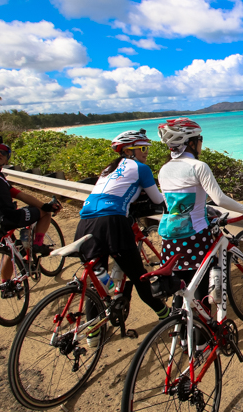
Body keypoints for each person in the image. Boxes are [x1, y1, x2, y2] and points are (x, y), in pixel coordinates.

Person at [74, 129, 170, 347]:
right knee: (139, 276)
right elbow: (157, 198)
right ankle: (165, 314)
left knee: (95, 279)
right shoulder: (141, 168)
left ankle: (93, 335)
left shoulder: (108, 169)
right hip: (113, 223)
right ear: (129, 150)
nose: (146, 152)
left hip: (86, 221)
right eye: (143, 148)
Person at [157, 118, 243, 319]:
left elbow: (176, 204)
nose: (201, 143)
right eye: (200, 139)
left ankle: (180, 331)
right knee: (201, 293)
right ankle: (202, 343)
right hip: (195, 238)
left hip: (169, 238)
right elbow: (219, 199)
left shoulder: (164, 169)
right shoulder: (198, 166)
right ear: (191, 142)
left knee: (182, 288)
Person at [0, 137, 62, 281]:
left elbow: (22, 195)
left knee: (11, 248)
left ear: (6, 161)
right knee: (45, 214)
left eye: (3, 153)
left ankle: (6, 285)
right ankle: (37, 244)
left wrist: (43, 204)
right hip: (4, 216)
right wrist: (46, 208)